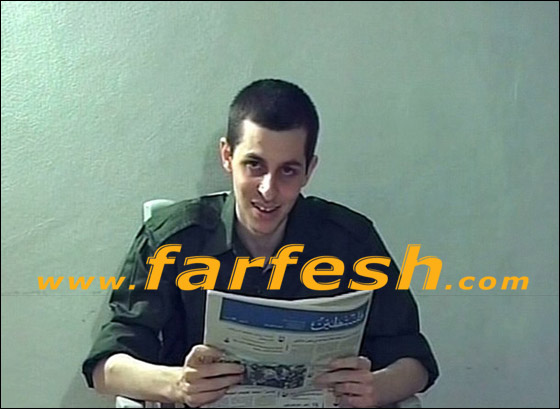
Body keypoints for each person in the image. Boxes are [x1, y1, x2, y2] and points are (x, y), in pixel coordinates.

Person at [82, 79, 439, 408]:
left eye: (288, 170)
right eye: (254, 165)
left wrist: (377, 386)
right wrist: (177, 383)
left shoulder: (350, 240)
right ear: (227, 156)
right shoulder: (174, 238)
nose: (269, 190)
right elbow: (105, 368)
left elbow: (415, 361)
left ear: (309, 170)